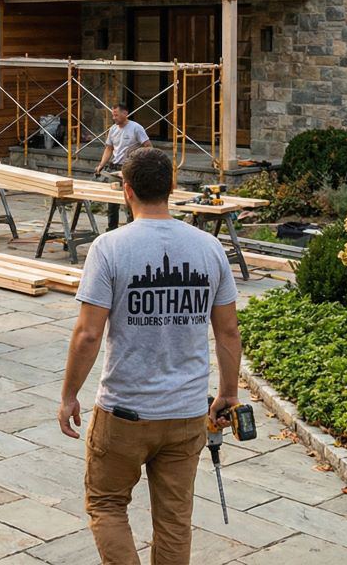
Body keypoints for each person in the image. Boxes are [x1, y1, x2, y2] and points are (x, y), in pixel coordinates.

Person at [57, 147, 241, 565]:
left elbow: (88, 334)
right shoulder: (208, 249)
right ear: (172, 188)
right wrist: (228, 392)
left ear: (127, 191)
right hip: (186, 412)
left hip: (125, 411)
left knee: (106, 504)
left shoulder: (110, 248)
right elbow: (228, 330)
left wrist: (69, 395)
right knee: (175, 519)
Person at [94, 105, 152, 229]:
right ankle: (111, 229)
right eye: (113, 115)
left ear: (125, 113)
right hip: (114, 169)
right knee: (112, 202)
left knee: (130, 200)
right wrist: (101, 165)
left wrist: (138, 159)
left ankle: (131, 228)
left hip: (130, 168)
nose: (114, 118)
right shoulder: (113, 129)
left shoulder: (136, 128)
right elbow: (109, 148)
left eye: (116, 115)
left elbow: (148, 147)